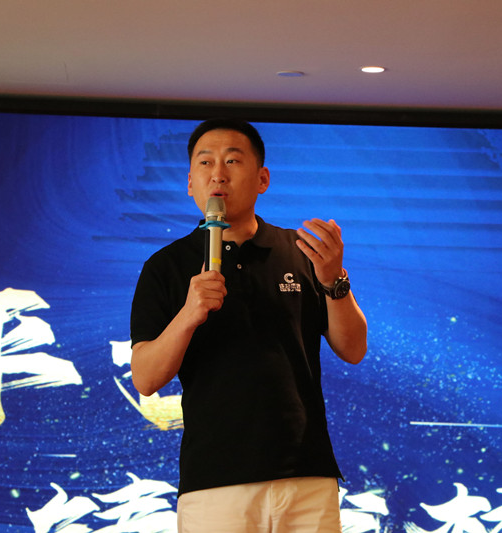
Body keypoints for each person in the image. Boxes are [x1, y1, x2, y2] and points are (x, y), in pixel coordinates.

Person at [130, 118, 367, 532]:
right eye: (205, 163)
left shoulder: (301, 253)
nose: (218, 174)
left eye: (233, 161)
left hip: (305, 475)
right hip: (215, 482)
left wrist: (334, 280)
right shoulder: (165, 267)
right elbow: (145, 378)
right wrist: (188, 314)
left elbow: (354, 348)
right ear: (190, 183)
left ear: (262, 179)